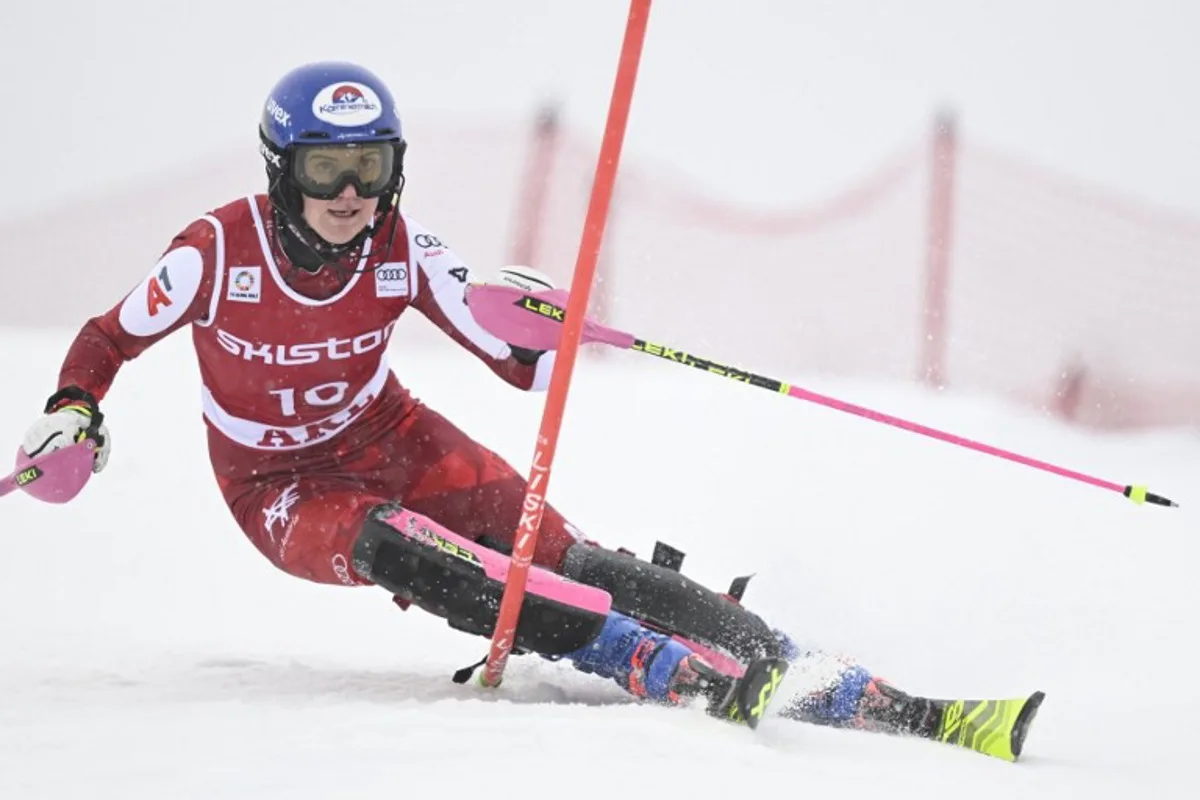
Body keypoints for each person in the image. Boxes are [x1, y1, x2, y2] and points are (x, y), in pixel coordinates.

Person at [19, 61, 1041, 756]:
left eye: (368, 168)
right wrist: (75, 409)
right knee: (395, 543)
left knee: (570, 553)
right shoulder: (216, 250)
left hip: (391, 432)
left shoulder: (399, 247)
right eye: (326, 170)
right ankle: (636, 657)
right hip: (276, 484)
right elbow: (109, 338)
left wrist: (545, 321)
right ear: (281, 169)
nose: (347, 192)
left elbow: (505, 347)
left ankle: (801, 664)